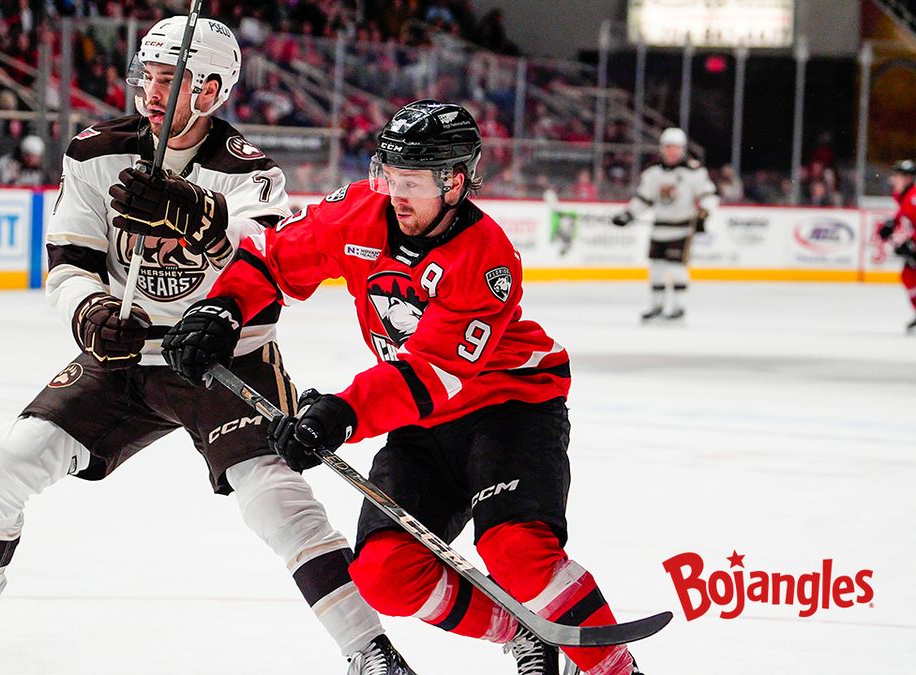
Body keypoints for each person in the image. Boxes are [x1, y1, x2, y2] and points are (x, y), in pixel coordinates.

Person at [0, 16, 412, 675]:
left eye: (172, 79)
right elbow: (68, 261)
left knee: (277, 501)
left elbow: (268, 254)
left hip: (225, 358)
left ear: (211, 89)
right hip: (124, 358)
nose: (153, 91)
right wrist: (92, 312)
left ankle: (369, 650)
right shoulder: (95, 151)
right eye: (148, 77)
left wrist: (200, 215)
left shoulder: (251, 171)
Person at [161, 100, 644, 675]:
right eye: (389, 175)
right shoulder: (359, 213)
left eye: (411, 181)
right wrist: (224, 308)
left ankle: (615, 670)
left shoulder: (487, 258)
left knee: (515, 550)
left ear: (455, 181)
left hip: (509, 406)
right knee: (385, 575)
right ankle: (526, 631)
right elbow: (274, 259)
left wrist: (340, 414)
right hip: (422, 424)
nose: (395, 192)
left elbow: (432, 373)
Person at [612, 127, 718, 321]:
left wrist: (705, 212)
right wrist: (628, 214)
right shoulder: (653, 173)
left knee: (677, 269)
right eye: (669, 147)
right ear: (662, 148)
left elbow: (708, 196)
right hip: (659, 228)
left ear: (683, 149)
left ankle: (678, 307)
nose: (672, 151)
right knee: (657, 270)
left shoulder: (694, 172)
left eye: (676, 147)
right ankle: (656, 306)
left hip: (682, 228)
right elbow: (644, 199)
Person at [878, 159, 916, 333]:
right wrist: (892, 224)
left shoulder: (913, 197)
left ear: (908, 178)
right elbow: (906, 218)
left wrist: (912, 244)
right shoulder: (903, 195)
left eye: (897, 175)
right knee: (908, 276)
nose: (893, 179)